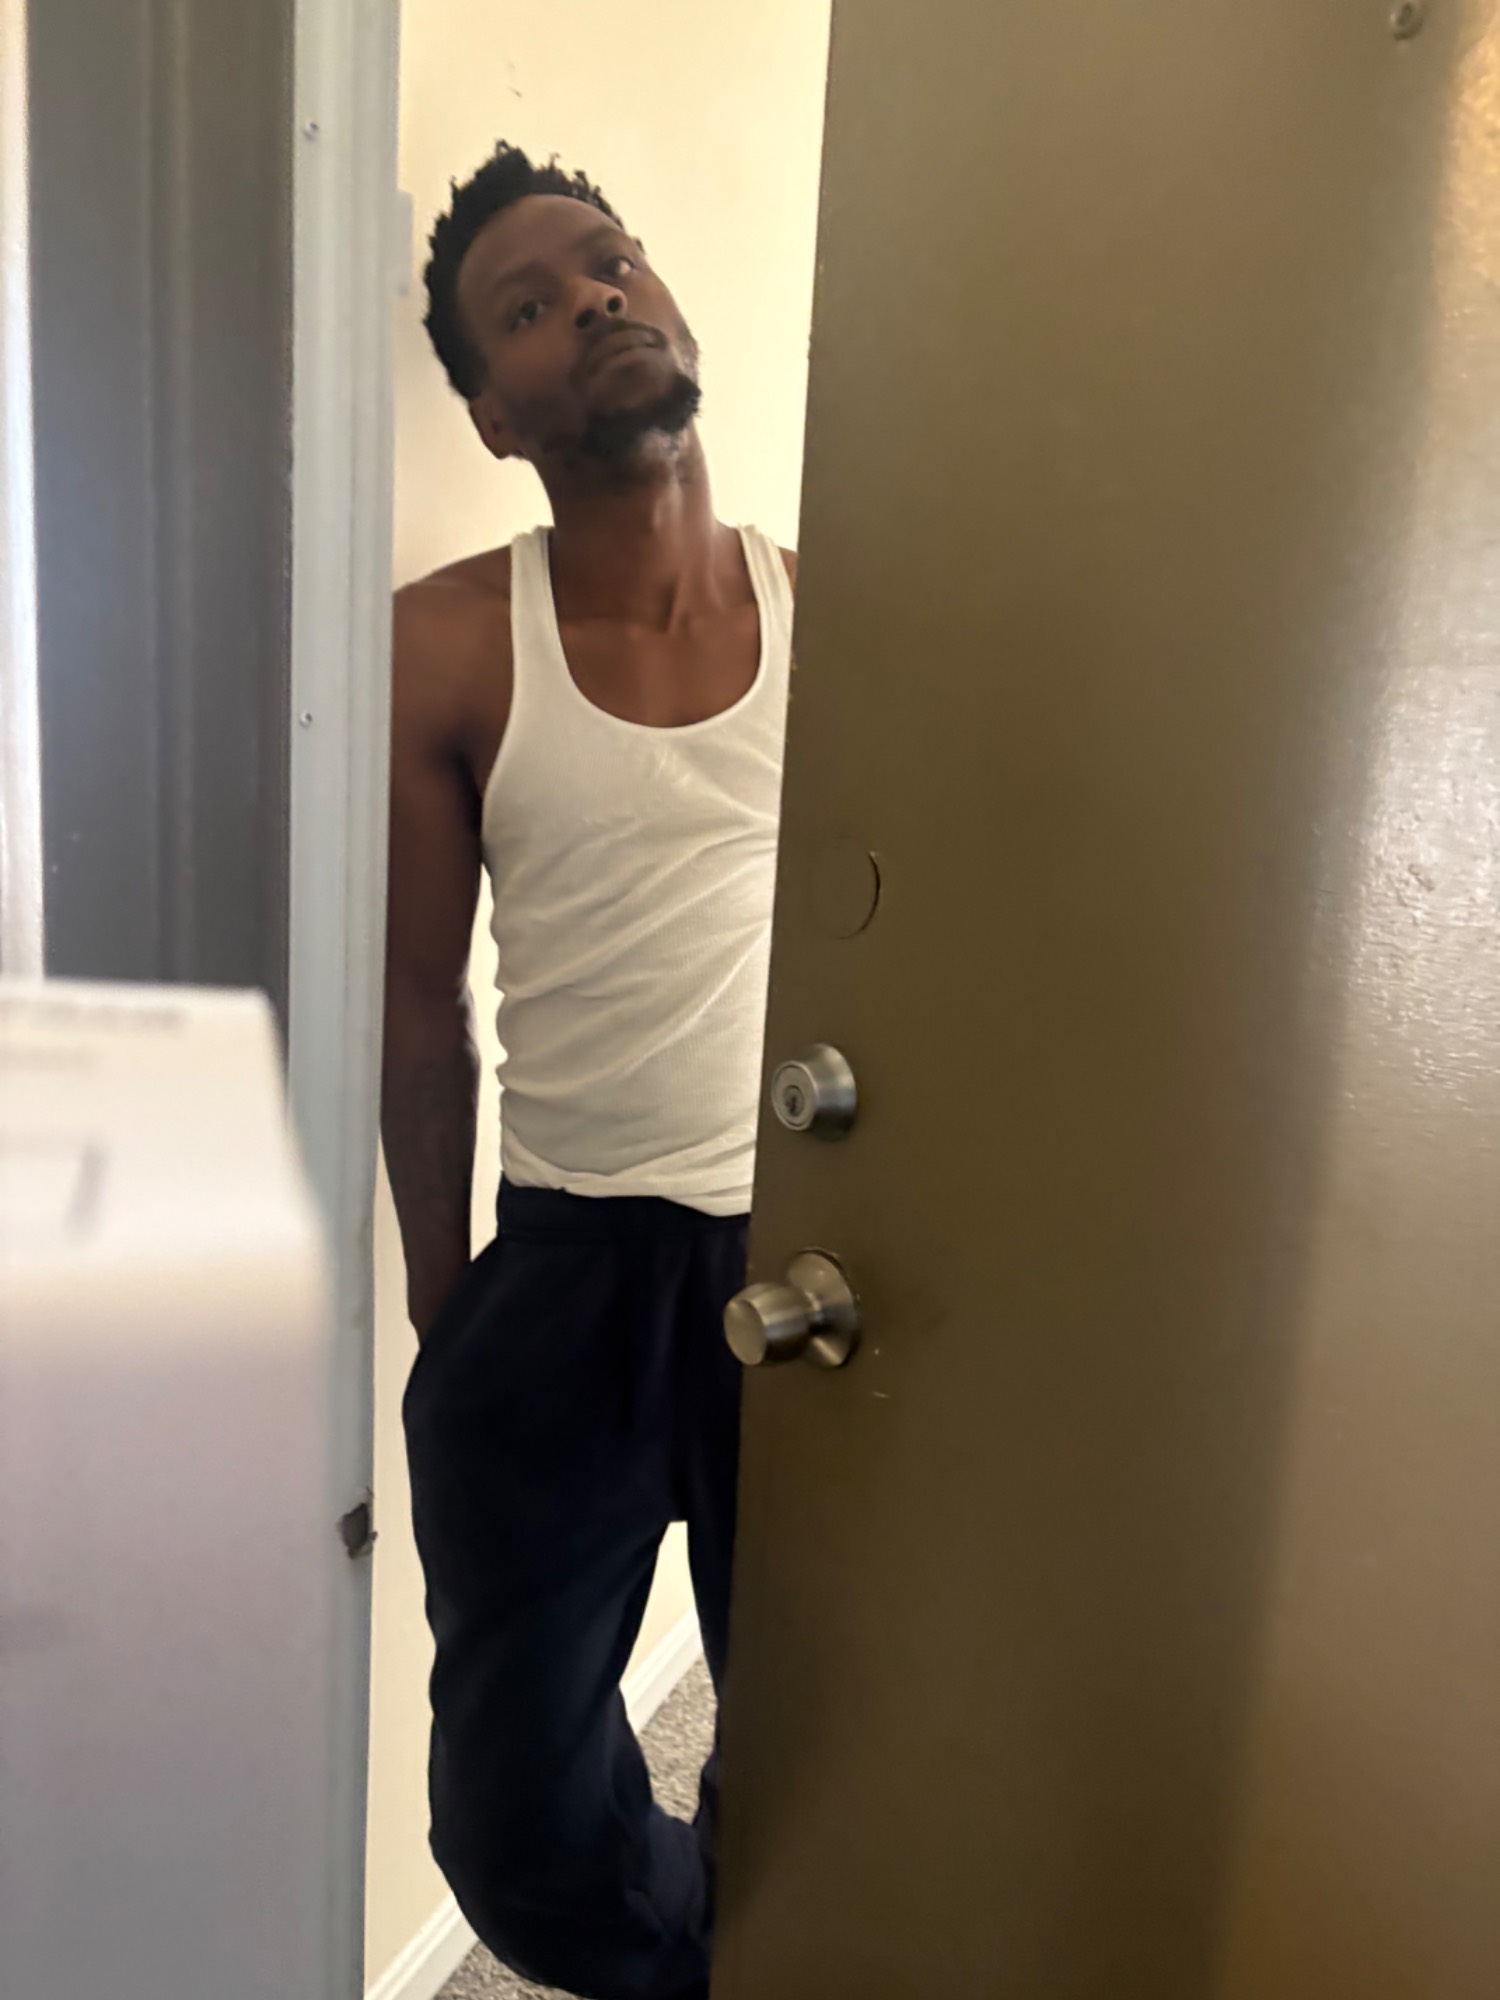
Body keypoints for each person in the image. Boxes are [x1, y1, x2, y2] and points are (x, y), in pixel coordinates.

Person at [383, 141, 794, 2000]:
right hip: (564, 1264)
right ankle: (693, 1955)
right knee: (519, 1830)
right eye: (531, 307)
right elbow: (418, 1009)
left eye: (610, 263)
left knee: (837, 1744)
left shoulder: (843, 613)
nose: (596, 300)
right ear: (493, 415)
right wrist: (447, 1303)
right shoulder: (448, 643)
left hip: (809, 1267)